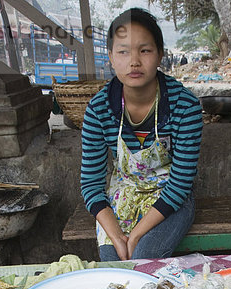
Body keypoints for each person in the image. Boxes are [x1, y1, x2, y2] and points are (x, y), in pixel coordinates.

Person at [81, 8, 203, 261]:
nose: (134, 61)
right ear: (111, 58)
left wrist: (135, 236)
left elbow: (180, 184)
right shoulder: (99, 109)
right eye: (123, 51)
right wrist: (116, 236)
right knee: (113, 264)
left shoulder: (185, 106)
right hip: (122, 193)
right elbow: (91, 185)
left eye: (144, 50)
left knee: (143, 258)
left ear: (160, 55)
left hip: (170, 197)